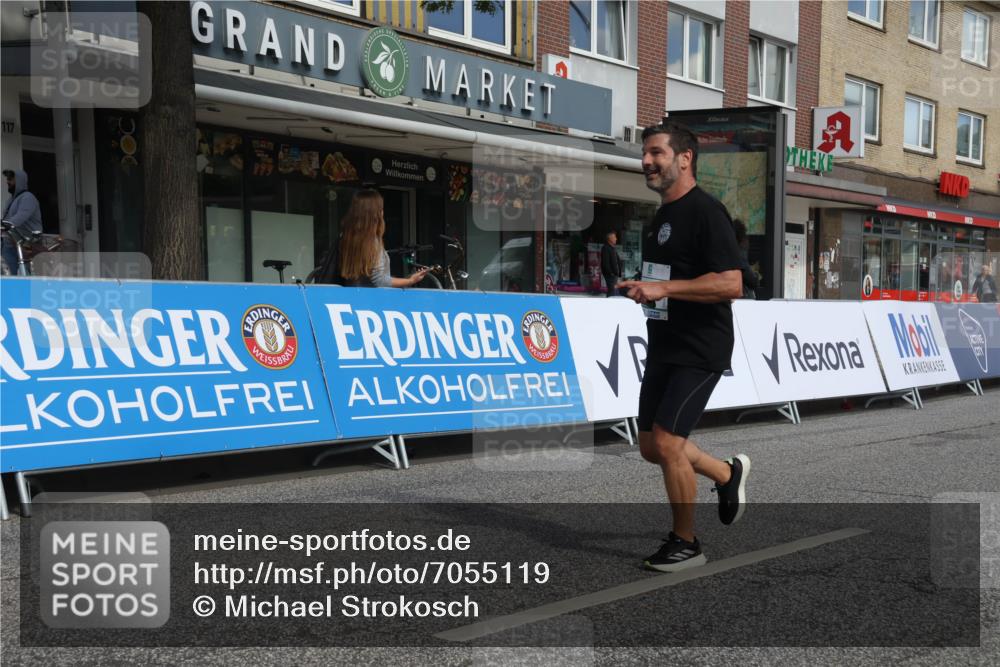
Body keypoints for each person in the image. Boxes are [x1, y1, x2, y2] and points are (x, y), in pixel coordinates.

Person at [617, 122, 751, 573]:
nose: (646, 161)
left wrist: (664, 288)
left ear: (685, 158)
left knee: (669, 443)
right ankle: (726, 474)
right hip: (664, 342)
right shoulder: (662, 217)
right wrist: (644, 287)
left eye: (656, 152)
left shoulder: (706, 212)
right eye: (645, 154)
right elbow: (668, 279)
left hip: (700, 346)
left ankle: (686, 543)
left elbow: (732, 284)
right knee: (650, 447)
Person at [314, 189, 428, 287]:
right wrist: (410, 280)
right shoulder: (372, 242)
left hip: (351, 299)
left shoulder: (345, 238)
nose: (383, 212)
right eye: (381, 209)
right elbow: (380, 281)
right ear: (376, 214)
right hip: (371, 302)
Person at [1, 169, 43, 275]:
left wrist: (5, 225)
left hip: (28, 244)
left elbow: (20, 217)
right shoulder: (11, 200)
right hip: (10, 243)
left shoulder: (28, 197)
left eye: (10, 179)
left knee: (31, 275)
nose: (7, 181)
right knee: (9, 275)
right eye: (7, 179)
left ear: (19, 180)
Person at [732, 219, 759, 299]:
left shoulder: (725, 254)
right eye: (746, 237)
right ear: (742, 239)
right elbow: (752, 281)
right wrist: (756, 275)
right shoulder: (739, 255)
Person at [601, 230, 624, 297]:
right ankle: (609, 302)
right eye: (614, 237)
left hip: (614, 274)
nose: (616, 239)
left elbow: (616, 260)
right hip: (610, 275)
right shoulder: (605, 248)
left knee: (613, 290)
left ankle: (610, 301)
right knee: (611, 291)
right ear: (610, 239)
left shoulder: (612, 248)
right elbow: (605, 263)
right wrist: (611, 273)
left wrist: (619, 271)